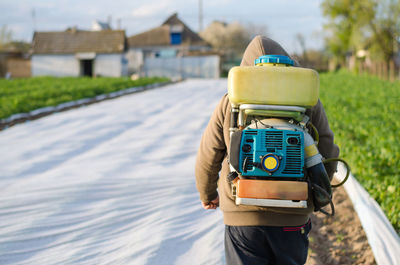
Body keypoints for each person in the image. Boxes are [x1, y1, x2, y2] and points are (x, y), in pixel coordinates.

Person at [195, 35, 339, 265]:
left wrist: (208, 194)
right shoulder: (307, 101)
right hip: (293, 214)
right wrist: (318, 195)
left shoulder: (230, 102)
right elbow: (328, 149)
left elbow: (208, 153)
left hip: (243, 215)